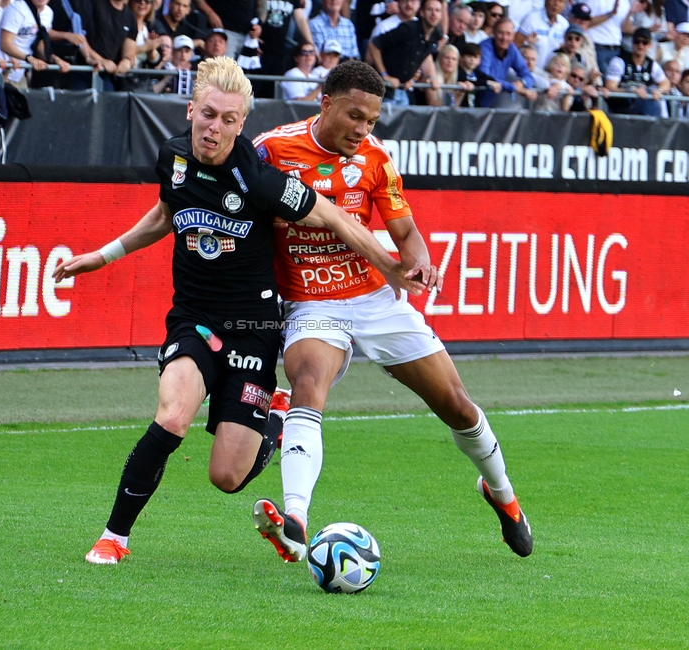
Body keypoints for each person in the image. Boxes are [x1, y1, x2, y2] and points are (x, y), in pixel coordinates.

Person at [52, 56, 420, 565]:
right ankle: (115, 537)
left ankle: (278, 415)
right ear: (191, 110)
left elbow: (334, 216)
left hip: (253, 329)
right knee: (173, 416)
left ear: (241, 123)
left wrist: (391, 264)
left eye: (228, 119)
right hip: (195, 318)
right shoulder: (173, 158)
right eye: (208, 114)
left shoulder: (258, 177)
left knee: (227, 477)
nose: (215, 127)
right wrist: (103, 255)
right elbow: (166, 212)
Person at [250, 58, 534, 564]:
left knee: (458, 406)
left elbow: (406, 234)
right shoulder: (271, 150)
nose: (362, 130)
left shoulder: (376, 159)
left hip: (374, 299)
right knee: (308, 384)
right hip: (311, 302)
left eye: (372, 122)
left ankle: (502, 494)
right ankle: (295, 520)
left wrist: (421, 264)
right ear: (326, 102)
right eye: (354, 117)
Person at [367, 0, 444, 106]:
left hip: (403, 90)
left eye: (437, 10)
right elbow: (373, 44)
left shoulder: (436, 33)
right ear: (421, 12)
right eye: (430, 10)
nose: (434, 14)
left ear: (441, 15)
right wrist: (385, 75)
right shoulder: (408, 29)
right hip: (383, 90)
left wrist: (431, 77)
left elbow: (425, 56)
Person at [0, 0, 72, 88]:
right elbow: (5, 44)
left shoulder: (48, 13)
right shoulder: (17, 9)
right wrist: (29, 59)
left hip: (19, 74)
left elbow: (40, 45)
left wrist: (55, 59)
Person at [604, 26, 670, 114]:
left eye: (645, 42)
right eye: (637, 41)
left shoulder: (652, 64)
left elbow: (666, 83)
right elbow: (610, 86)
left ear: (650, 45)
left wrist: (659, 90)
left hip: (644, 106)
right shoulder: (619, 61)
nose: (640, 45)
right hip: (621, 107)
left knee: (653, 95)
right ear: (632, 43)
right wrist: (630, 91)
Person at [255, 0, 314, 98]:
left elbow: (300, 19)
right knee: (255, 88)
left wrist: (311, 45)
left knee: (272, 92)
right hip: (260, 49)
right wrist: (252, 42)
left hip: (279, 51)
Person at [479, 18, 539, 106]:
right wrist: (514, 88)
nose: (504, 38)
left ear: (513, 36)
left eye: (508, 34)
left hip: (493, 104)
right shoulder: (485, 47)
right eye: (501, 33)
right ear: (494, 33)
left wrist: (522, 83)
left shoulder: (511, 48)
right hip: (476, 102)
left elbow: (527, 74)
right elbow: (486, 77)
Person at [85, 0, 138, 91]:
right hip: (84, 70)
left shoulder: (130, 16)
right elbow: (81, 37)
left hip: (108, 77)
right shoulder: (94, 4)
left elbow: (130, 47)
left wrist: (127, 60)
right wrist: (101, 60)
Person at [193, 0, 261, 59]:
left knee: (245, 71)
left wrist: (260, 24)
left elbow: (262, 3)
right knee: (224, 70)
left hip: (249, 35)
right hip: (224, 31)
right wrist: (210, 14)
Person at [516, 0, 569, 72]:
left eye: (560, 1)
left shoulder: (564, 25)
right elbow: (515, 45)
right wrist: (527, 43)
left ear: (564, 6)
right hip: (530, 71)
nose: (556, 4)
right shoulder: (532, 18)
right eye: (553, 0)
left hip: (551, 75)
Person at [586, 0, 633, 75]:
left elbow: (625, 28)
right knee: (603, 80)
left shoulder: (624, 2)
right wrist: (611, 13)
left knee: (614, 81)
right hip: (599, 47)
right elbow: (587, 22)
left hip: (617, 49)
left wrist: (631, 12)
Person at [458, 40, 503, 106]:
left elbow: (487, 78)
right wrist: (487, 83)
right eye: (469, 56)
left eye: (475, 57)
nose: (472, 60)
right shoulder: (458, 71)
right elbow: (470, 81)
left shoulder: (476, 72)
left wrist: (494, 82)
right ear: (462, 58)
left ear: (479, 60)